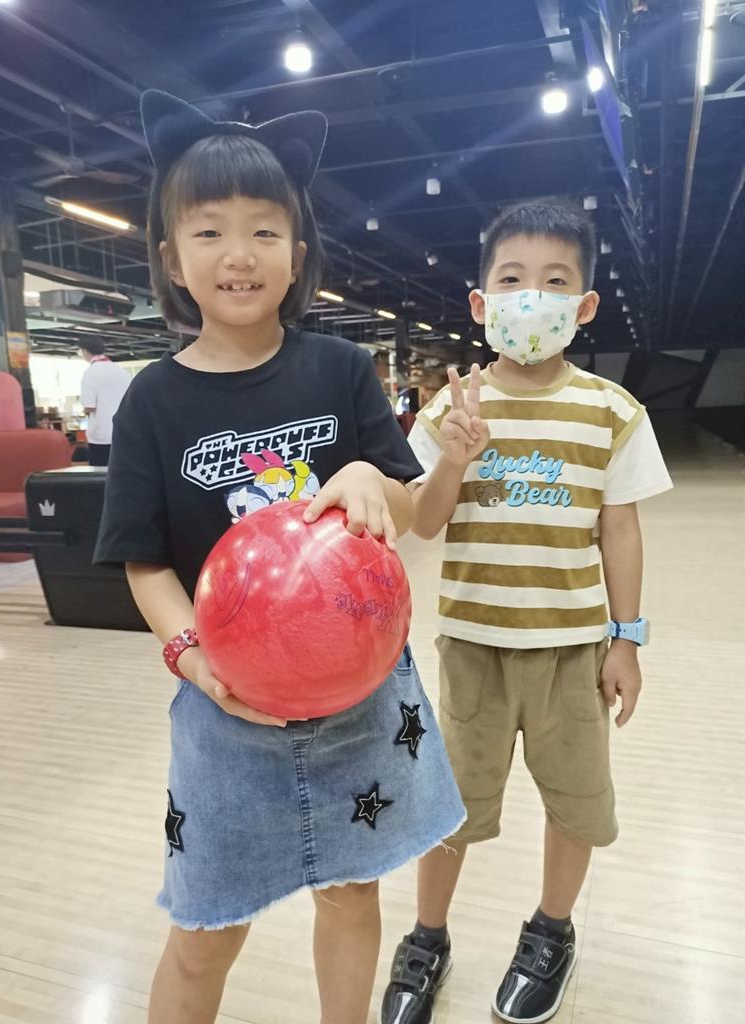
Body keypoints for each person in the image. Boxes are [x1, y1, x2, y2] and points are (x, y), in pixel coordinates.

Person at [93, 90, 465, 1024]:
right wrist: (191, 655)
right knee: (204, 929)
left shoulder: (340, 370)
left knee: (351, 892)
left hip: (358, 693)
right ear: (171, 258)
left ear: (298, 255)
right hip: (227, 705)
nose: (240, 253)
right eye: (209, 230)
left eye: (265, 230)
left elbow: (408, 509)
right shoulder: (152, 402)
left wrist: (376, 479)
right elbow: (144, 563)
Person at [380, 200, 673, 1024]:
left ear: (585, 305)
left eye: (554, 281)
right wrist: (455, 458)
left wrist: (627, 640)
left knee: (575, 797)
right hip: (472, 646)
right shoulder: (452, 408)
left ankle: (551, 929)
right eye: (512, 280)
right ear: (482, 303)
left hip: (571, 651)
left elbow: (620, 530)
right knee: (451, 806)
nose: (531, 298)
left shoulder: (613, 412)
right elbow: (424, 521)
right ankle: (427, 937)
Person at [79, 337, 131, 466]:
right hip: (124, 433)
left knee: (100, 474)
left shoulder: (90, 373)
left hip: (101, 435)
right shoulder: (122, 371)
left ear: (85, 351)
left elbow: (89, 406)